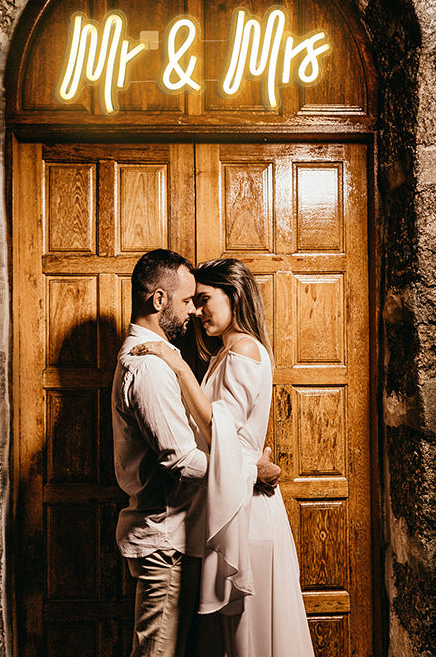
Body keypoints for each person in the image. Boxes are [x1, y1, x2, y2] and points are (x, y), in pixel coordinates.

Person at [131, 258, 315, 657]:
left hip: (245, 508)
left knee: (248, 634)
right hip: (232, 498)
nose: (197, 312)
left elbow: (221, 430)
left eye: (204, 300)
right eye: (193, 302)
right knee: (232, 637)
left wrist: (179, 367)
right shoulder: (224, 352)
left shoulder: (243, 348)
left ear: (233, 296)